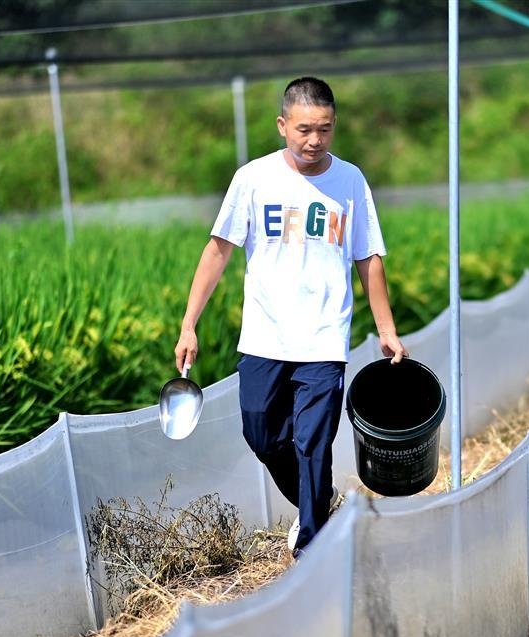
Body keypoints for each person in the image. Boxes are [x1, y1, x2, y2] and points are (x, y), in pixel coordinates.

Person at [173, 76, 407, 556]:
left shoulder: (350, 181)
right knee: (261, 433)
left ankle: (313, 547)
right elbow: (218, 251)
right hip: (264, 337)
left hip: (323, 338)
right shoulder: (254, 178)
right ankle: (317, 501)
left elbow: (369, 258)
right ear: (282, 125)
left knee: (313, 444)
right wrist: (188, 323)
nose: (314, 141)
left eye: (324, 129)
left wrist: (386, 330)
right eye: (303, 129)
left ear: (334, 126)